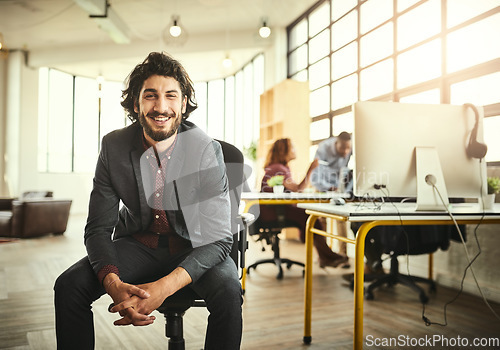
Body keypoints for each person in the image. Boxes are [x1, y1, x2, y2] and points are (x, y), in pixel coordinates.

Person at [54, 52, 242, 350]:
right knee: (69, 286)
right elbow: (98, 228)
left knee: (229, 291)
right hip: (139, 245)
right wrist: (113, 284)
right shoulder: (113, 147)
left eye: (171, 95)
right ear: (136, 104)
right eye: (150, 95)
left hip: (196, 248)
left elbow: (219, 238)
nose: (161, 106)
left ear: (183, 103)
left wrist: (163, 288)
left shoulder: (206, 149)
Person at [259, 138, 348, 268]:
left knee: (310, 216)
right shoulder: (278, 168)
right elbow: (298, 189)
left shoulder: (280, 167)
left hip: (277, 209)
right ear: (284, 151)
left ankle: (326, 256)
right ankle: (327, 257)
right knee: (310, 216)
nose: (295, 150)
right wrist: (311, 169)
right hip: (274, 212)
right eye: (292, 148)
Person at [310, 131, 353, 268]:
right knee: (322, 219)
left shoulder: (349, 148)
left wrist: (345, 189)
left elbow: (348, 171)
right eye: (343, 149)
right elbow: (316, 174)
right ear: (336, 143)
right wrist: (328, 187)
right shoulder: (323, 148)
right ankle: (324, 256)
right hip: (322, 184)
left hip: (338, 186)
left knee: (341, 219)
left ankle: (343, 255)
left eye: (348, 149)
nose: (346, 152)